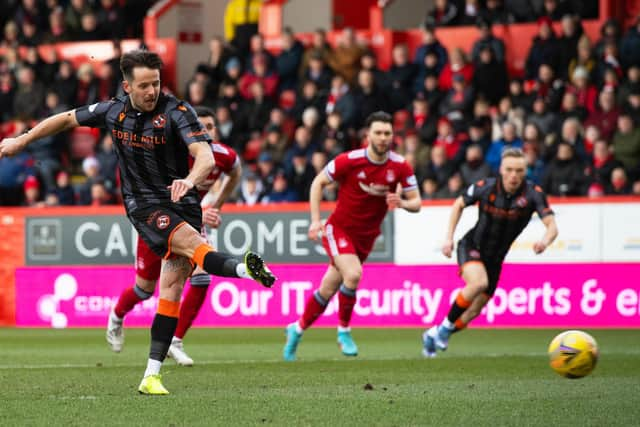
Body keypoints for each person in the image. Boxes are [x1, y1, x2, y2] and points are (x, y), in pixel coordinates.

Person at [0, 50, 275, 395]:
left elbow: (204, 154)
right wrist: (22, 140)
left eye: (156, 83)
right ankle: (243, 270)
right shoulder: (112, 110)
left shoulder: (177, 112)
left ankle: (151, 375)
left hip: (183, 201)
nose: (151, 91)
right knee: (189, 250)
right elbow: (67, 118)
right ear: (127, 86)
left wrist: (191, 181)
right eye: (144, 85)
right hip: (143, 205)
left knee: (171, 289)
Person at [106, 105, 243, 367]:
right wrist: (201, 211)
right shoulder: (171, 156)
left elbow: (235, 172)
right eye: (200, 126)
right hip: (157, 220)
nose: (206, 131)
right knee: (144, 289)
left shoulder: (221, 156)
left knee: (202, 277)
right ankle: (116, 315)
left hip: (191, 221)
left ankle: (175, 340)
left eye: (211, 127)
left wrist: (216, 206)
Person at [283, 111, 421, 361]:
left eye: (387, 133)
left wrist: (402, 202)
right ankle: (344, 331)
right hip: (339, 229)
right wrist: (315, 221)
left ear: (392, 136)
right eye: (378, 133)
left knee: (327, 289)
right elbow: (317, 183)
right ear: (367, 135)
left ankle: (297, 328)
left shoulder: (400, 166)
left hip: (366, 238)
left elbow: (417, 203)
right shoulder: (349, 160)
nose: (382, 137)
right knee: (354, 274)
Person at [422, 148, 558, 357]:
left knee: (472, 312)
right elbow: (458, 204)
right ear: (501, 170)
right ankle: (444, 329)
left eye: (519, 171)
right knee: (478, 283)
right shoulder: (485, 187)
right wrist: (449, 237)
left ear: (525, 171)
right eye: (510, 170)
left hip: (495, 260)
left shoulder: (533, 194)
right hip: (472, 246)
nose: (514, 175)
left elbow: (552, 227)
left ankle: (433, 334)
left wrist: (544, 241)